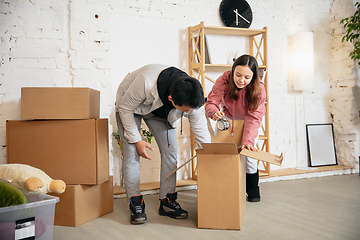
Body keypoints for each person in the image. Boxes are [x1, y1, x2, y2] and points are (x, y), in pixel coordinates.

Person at [115, 64, 211, 224]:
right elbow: (125, 109)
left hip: (159, 113)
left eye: (190, 110)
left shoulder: (193, 96)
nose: (188, 113)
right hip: (130, 108)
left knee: (171, 151)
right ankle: (135, 202)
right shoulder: (145, 82)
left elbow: (200, 129)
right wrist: (137, 140)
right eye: (184, 111)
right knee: (132, 152)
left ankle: (167, 201)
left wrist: (210, 153)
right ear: (171, 99)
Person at [205, 54, 266, 202]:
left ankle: (253, 192)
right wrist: (214, 113)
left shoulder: (259, 89)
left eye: (247, 77)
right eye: (238, 75)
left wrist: (248, 141)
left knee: (249, 156)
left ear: (253, 77)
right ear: (232, 71)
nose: (241, 80)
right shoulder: (223, 80)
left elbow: (254, 117)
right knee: (226, 156)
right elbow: (211, 102)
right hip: (228, 121)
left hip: (249, 122)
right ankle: (226, 189)